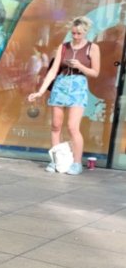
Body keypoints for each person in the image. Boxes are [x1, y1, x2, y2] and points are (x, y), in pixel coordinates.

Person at [28, 16, 100, 175]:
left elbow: (95, 72)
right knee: (55, 126)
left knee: (73, 127)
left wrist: (80, 66)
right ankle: (56, 161)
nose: (75, 36)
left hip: (78, 86)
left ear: (85, 32)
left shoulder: (92, 48)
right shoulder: (64, 47)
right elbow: (53, 70)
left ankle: (76, 162)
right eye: (73, 33)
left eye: (79, 34)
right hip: (61, 85)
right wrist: (40, 91)